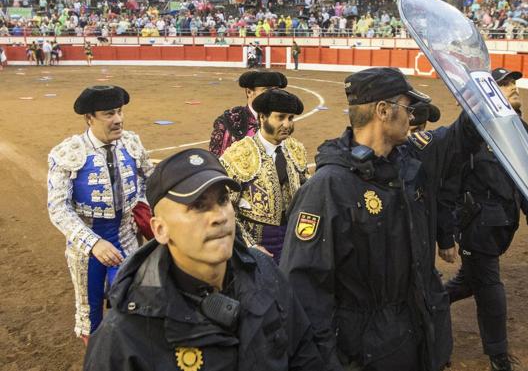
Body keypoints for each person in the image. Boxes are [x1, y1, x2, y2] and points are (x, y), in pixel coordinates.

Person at [280, 67, 481, 371]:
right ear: (383, 111)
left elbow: (458, 138)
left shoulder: (410, 163)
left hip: (420, 339)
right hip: (367, 353)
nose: (412, 117)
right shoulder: (330, 187)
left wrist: (480, 96)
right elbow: (303, 290)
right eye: (407, 107)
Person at [83, 148, 323, 371]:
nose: (219, 216)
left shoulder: (265, 272)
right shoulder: (124, 334)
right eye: (198, 206)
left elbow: (302, 349)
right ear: (160, 230)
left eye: (222, 200)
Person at [443, 68, 528, 371]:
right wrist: (448, 233)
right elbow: (450, 184)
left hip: (503, 223)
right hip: (476, 225)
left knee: (469, 283)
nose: (514, 88)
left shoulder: (521, 128)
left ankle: (428, 301)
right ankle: (498, 357)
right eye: (505, 84)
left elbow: (526, 176)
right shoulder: (468, 132)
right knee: (490, 288)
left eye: (514, 83)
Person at [47, 85, 153, 343]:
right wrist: (93, 243)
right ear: (89, 118)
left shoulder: (131, 142)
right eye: (108, 114)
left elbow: (150, 180)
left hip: (127, 239)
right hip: (87, 249)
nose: (118, 119)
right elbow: (58, 208)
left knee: (132, 305)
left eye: (119, 112)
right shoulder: (68, 152)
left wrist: (141, 202)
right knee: (90, 316)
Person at [220, 89, 309, 263]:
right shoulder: (239, 154)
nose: (287, 124)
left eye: (291, 118)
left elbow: (307, 198)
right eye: (280, 117)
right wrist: (249, 246)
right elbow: (225, 210)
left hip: (294, 239)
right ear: (262, 117)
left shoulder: (296, 149)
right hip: (257, 242)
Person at [208, 70, 288, 156]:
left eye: (276, 90)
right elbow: (215, 160)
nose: (273, 95)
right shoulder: (229, 121)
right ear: (249, 92)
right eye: (266, 90)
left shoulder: (282, 120)